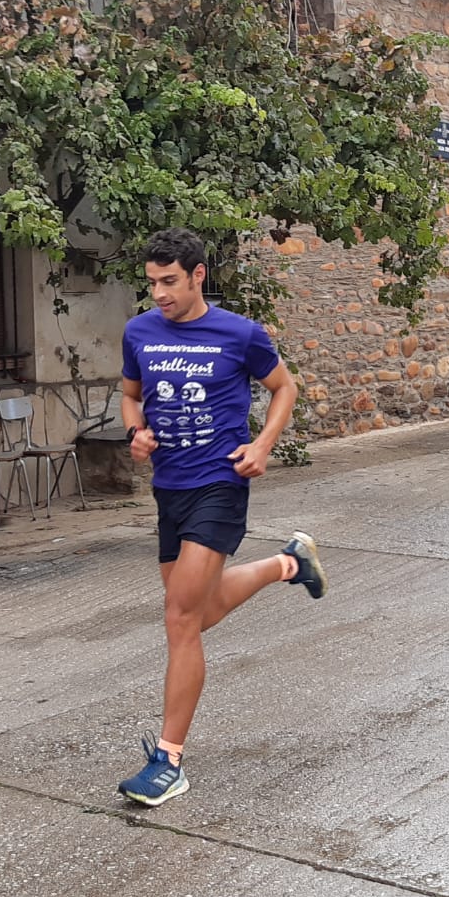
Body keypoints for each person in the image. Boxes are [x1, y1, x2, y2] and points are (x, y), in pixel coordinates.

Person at [115, 228, 326, 808]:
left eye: (169, 282)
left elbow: (284, 388)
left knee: (180, 618)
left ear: (198, 275)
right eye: (152, 282)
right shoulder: (140, 332)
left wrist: (262, 447)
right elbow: (131, 395)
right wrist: (136, 432)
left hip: (220, 484)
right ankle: (289, 563)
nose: (158, 293)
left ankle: (168, 762)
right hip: (170, 488)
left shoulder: (239, 333)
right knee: (198, 610)